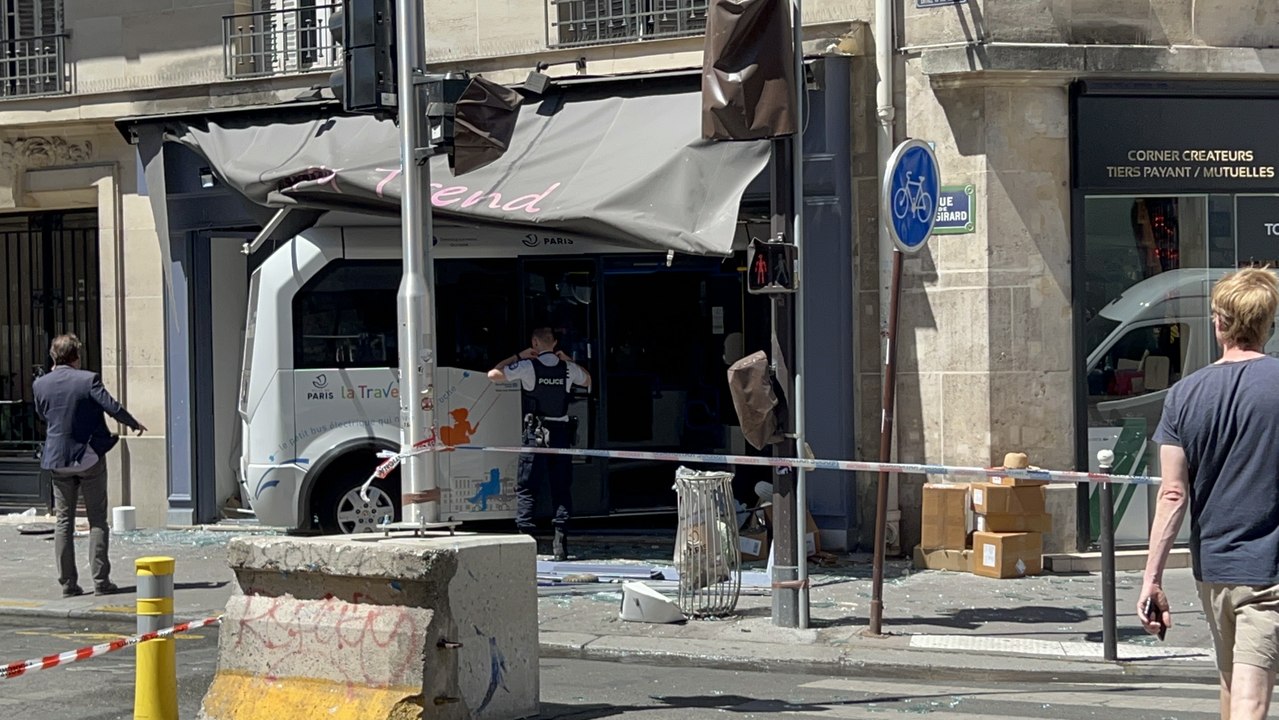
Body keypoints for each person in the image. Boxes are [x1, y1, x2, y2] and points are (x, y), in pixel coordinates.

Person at [1140, 267, 1279, 720]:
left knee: (1232, 685)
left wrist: (1152, 580)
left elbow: (1172, 495)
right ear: (1268, 323)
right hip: (1268, 571)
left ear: (1218, 322)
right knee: (1250, 699)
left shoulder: (1183, 395)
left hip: (1215, 569)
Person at [33, 334, 147, 598]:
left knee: (64, 521)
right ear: (76, 356)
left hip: (58, 459)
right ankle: (100, 581)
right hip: (88, 456)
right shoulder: (88, 380)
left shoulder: (40, 384)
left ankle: (68, 584)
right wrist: (133, 423)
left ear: (53, 356)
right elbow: (112, 407)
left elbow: (42, 415)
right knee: (97, 519)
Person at [487, 327, 590, 560]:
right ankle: (560, 545)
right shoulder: (568, 369)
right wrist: (569, 359)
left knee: (527, 487)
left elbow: (493, 374)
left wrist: (517, 356)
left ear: (534, 342)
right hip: (560, 433)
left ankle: (526, 543)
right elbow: (588, 379)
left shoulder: (527, 366)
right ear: (555, 343)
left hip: (536, 433)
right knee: (561, 488)